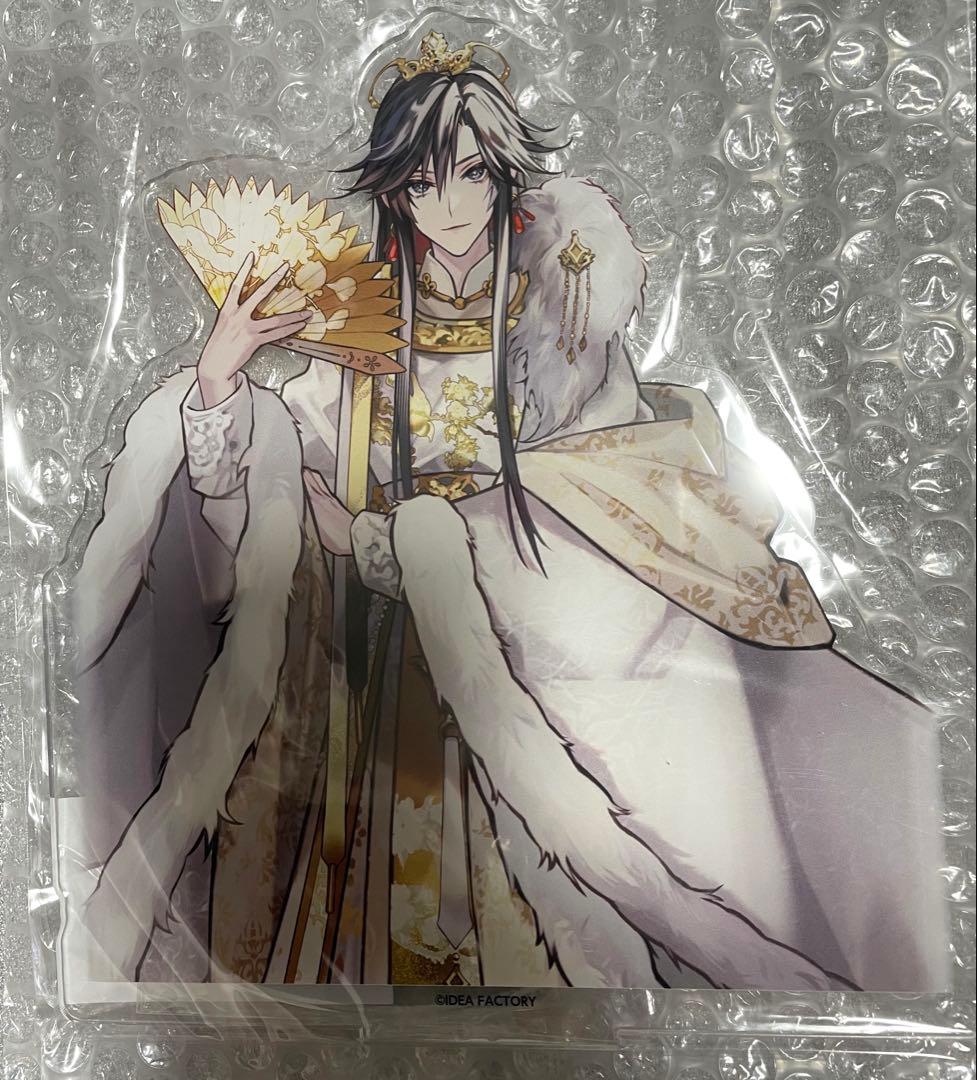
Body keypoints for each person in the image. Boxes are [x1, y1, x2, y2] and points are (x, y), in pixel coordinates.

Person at [73, 31, 947, 992]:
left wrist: (416, 541)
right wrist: (219, 384)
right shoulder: (358, 332)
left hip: (527, 647)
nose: (447, 207)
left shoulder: (561, 329)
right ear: (394, 194)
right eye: (420, 184)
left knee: (556, 886)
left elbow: (601, 483)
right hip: (374, 671)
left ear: (503, 180)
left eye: (470, 177)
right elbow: (261, 503)